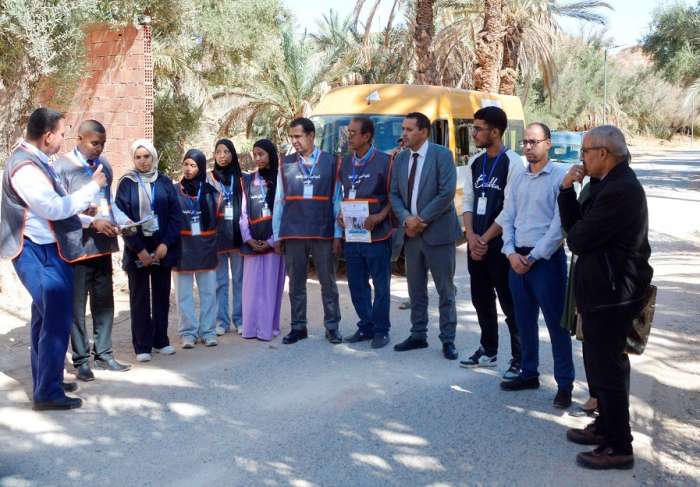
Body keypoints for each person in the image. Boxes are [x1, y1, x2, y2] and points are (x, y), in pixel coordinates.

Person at [0, 108, 107, 410]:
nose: (63, 139)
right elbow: (54, 209)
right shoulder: (25, 168)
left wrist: (90, 220)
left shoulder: (37, 161)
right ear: (48, 136)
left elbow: (57, 209)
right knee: (57, 317)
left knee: (45, 317)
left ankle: (48, 380)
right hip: (33, 250)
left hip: (47, 248)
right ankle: (47, 393)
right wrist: (93, 187)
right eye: (61, 133)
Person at [559, 125, 652, 470]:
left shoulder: (621, 190)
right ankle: (605, 427)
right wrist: (566, 190)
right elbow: (577, 229)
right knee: (601, 368)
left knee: (608, 371)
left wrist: (572, 199)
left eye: (584, 151)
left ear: (603, 153)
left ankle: (619, 446)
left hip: (613, 294)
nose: (580, 158)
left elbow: (577, 240)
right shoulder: (606, 184)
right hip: (602, 291)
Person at [495, 122, 575, 408]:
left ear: (548, 143)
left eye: (534, 142)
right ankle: (528, 373)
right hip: (517, 260)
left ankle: (564, 384)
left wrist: (533, 257)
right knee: (524, 321)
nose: (528, 147)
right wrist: (510, 253)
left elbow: (559, 226)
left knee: (556, 325)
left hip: (546, 262)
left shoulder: (560, 177)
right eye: (525, 142)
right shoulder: (518, 178)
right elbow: (507, 217)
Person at [54, 120, 132, 382]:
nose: (99, 148)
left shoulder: (104, 165)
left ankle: (104, 354)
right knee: (77, 308)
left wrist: (123, 222)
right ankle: (81, 361)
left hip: (102, 247)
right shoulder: (62, 167)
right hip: (76, 248)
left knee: (104, 304)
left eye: (103, 144)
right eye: (94, 143)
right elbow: (62, 210)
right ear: (79, 139)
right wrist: (93, 222)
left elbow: (108, 202)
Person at [388, 112, 462, 360]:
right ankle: (418, 334)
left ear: (424, 132)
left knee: (445, 290)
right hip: (411, 235)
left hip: (438, 233)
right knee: (415, 289)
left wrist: (421, 220)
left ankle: (448, 339)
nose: (404, 134)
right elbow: (394, 193)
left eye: (409, 129)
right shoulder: (401, 159)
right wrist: (406, 219)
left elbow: (446, 193)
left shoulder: (442, 155)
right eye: (403, 129)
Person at [460, 106, 523, 380]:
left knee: (510, 303)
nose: (473, 134)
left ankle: (520, 357)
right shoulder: (475, 163)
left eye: (478, 129)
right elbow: (468, 201)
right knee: (481, 299)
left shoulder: (514, 163)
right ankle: (488, 349)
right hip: (476, 243)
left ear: (495, 132)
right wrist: (471, 236)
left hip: (500, 244)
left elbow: (510, 209)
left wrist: (484, 238)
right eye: (473, 128)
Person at [272, 117, 342, 345]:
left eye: (298, 136)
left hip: (323, 232)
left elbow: (337, 200)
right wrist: (277, 234)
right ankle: (298, 327)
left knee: (328, 283)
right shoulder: (285, 163)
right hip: (293, 232)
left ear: (311, 135)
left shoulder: (331, 162)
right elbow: (279, 200)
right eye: (291, 137)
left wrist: (338, 235)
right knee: (296, 284)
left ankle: (332, 327)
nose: (294, 141)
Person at [115, 139, 182, 363]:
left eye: (147, 156)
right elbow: (122, 219)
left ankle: (161, 340)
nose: (143, 161)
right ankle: (142, 345)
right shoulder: (126, 184)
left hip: (162, 248)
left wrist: (165, 245)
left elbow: (175, 217)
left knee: (162, 296)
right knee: (140, 298)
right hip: (137, 251)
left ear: (153, 157)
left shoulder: (164, 182)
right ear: (133, 159)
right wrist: (139, 249)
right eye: (138, 157)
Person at [334, 117, 394, 349]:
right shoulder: (345, 163)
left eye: (353, 133)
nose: (348, 137)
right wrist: (341, 215)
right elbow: (342, 195)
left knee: (381, 285)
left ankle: (381, 330)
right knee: (357, 284)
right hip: (353, 236)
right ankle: (366, 326)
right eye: (347, 132)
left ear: (367, 136)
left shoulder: (385, 162)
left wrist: (379, 217)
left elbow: (394, 197)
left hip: (377, 235)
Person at [239, 139, 285, 340]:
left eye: (262, 154)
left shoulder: (281, 180)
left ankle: (267, 329)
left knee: (269, 287)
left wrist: (273, 240)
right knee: (250, 288)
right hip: (253, 243)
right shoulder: (249, 181)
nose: (257, 158)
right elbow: (243, 212)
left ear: (271, 155)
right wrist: (248, 238)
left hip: (274, 243)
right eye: (255, 154)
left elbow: (284, 211)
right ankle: (250, 329)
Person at [174, 149, 220, 348]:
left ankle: (208, 332)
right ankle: (188, 333)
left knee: (208, 293)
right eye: (186, 164)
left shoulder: (212, 193)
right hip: (182, 250)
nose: (188, 169)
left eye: (193, 165)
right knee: (183, 294)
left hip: (205, 249)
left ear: (201, 168)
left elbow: (218, 221)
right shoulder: (174, 191)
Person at [208, 139, 244, 336]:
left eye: (226, 151)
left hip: (238, 237)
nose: (222, 155)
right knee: (220, 282)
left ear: (233, 154)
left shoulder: (241, 178)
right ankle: (222, 321)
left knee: (239, 280)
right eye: (218, 152)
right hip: (217, 238)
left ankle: (240, 319)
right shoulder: (209, 179)